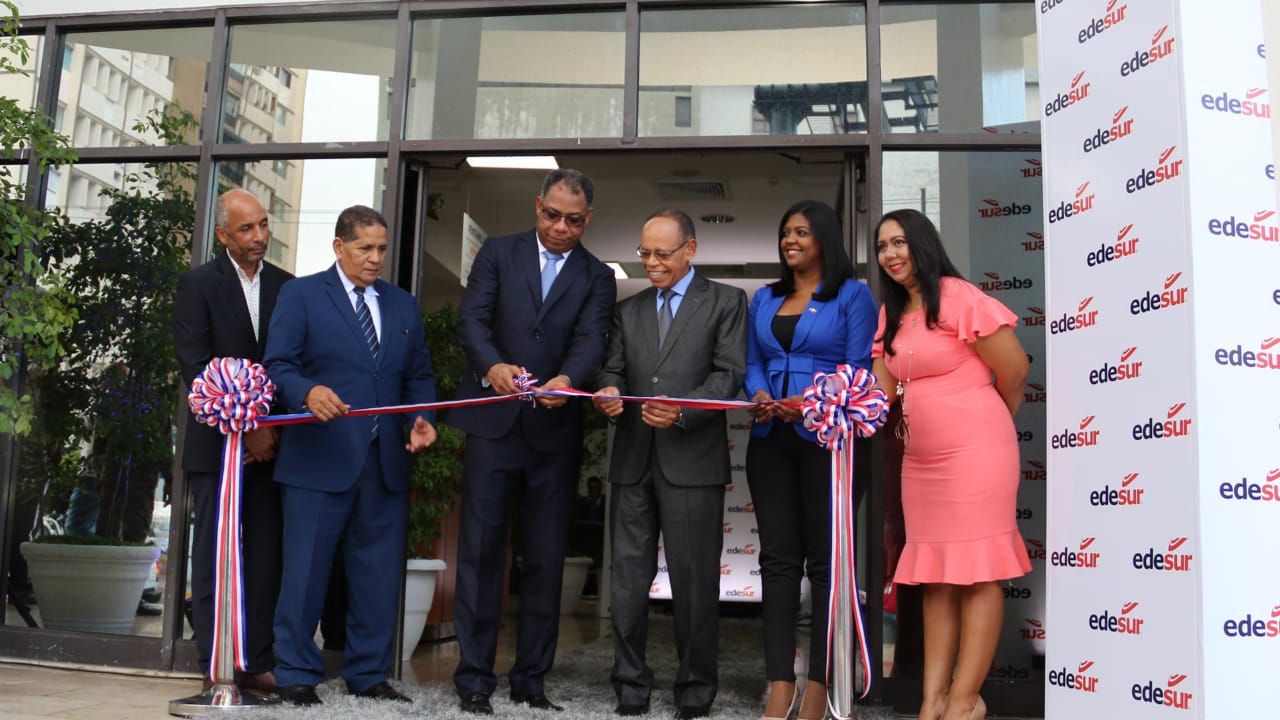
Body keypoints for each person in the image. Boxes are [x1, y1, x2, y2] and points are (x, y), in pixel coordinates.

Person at [450, 168, 616, 715]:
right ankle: (474, 678)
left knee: (546, 556)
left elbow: (592, 338)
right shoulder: (497, 253)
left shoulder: (597, 275)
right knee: (480, 553)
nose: (561, 227)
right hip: (493, 424)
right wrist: (492, 366)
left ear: (588, 219)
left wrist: (570, 378)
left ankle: (530, 680)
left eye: (574, 220)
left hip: (554, 431)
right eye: (552, 215)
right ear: (537, 205)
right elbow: (472, 320)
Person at [263, 205, 438, 707]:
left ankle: (368, 674)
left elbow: (418, 376)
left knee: (377, 577)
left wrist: (421, 417)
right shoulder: (301, 295)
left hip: (385, 463)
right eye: (365, 248)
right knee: (305, 574)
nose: (375, 258)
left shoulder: (402, 305)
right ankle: (296, 672)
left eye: (381, 248)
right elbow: (277, 365)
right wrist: (306, 391)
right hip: (318, 460)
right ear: (339, 246)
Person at [869, 209, 1030, 720]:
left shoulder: (958, 296)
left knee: (980, 575)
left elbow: (1015, 369)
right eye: (882, 246)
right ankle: (932, 701)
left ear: (921, 243)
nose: (890, 254)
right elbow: (880, 393)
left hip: (977, 455)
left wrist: (985, 425)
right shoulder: (891, 313)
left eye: (898, 242)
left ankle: (964, 701)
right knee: (936, 576)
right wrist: (828, 403)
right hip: (920, 463)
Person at [594, 209, 747, 720]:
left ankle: (696, 689)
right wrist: (609, 389)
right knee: (626, 580)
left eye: (662, 253)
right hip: (632, 460)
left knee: (695, 580)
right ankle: (629, 685)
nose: (652, 263)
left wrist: (682, 410)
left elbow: (729, 375)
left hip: (693, 460)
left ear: (691, 249)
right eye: (645, 253)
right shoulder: (628, 309)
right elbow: (613, 367)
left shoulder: (726, 301)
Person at [743, 200, 877, 720]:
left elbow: (858, 367)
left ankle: (819, 685)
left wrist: (814, 399)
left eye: (801, 231)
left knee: (826, 563)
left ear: (825, 238)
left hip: (829, 440)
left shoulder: (852, 295)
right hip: (770, 436)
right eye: (785, 232)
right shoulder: (765, 297)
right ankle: (780, 684)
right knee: (777, 561)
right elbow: (754, 361)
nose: (790, 240)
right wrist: (759, 394)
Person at [174, 187, 292, 696]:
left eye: (263, 224)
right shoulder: (198, 284)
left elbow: (289, 363)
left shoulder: (288, 286)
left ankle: (256, 660)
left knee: (266, 555)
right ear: (223, 234)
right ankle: (214, 661)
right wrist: (245, 427)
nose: (259, 235)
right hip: (216, 447)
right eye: (247, 228)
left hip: (273, 448)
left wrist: (267, 429)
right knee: (213, 557)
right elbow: (195, 365)